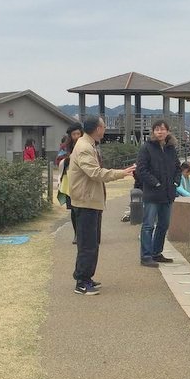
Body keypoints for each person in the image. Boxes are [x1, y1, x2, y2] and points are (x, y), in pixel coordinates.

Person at [68, 116, 135, 295]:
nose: (105, 129)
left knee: (92, 242)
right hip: (85, 202)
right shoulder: (84, 147)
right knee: (87, 244)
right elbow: (95, 173)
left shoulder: (88, 144)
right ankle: (81, 282)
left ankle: (86, 277)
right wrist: (122, 173)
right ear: (97, 129)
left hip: (90, 201)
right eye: (103, 126)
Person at [137, 119, 181, 268]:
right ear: (153, 132)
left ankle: (157, 252)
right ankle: (146, 255)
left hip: (168, 194)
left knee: (164, 224)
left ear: (168, 131)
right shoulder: (147, 148)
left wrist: (176, 182)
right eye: (157, 129)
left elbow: (177, 168)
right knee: (148, 225)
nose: (160, 132)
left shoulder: (171, 148)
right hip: (152, 193)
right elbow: (142, 170)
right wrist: (155, 182)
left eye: (163, 129)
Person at [58, 123, 84, 244]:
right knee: (74, 209)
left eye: (78, 133)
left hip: (83, 181)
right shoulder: (65, 147)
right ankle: (76, 234)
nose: (76, 136)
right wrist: (69, 158)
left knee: (83, 209)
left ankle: (84, 234)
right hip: (69, 181)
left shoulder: (86, 145)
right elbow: (59, 160)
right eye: (74, 134)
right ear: (70, 135)